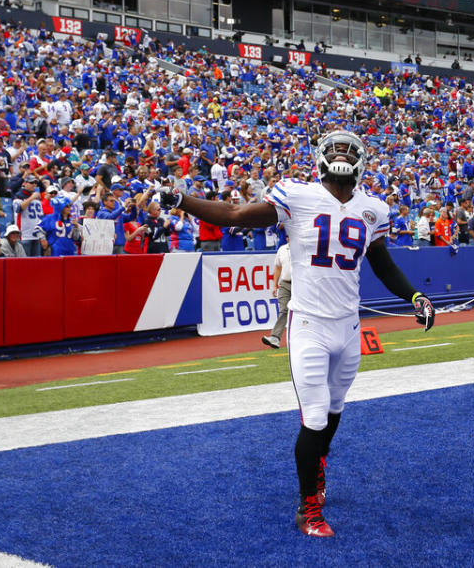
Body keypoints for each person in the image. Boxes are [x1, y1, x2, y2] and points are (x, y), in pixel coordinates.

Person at [159, 130, 435, 538]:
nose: (341, 156)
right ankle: (308, 509)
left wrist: (414, 295)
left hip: (349, 324)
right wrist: (183, 200)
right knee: (316, 414)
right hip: (308, 323)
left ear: (360, 160)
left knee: (335, 410)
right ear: (321, 158)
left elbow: (383, 264)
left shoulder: (374, 208)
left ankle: (318, 465)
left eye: (348, 150)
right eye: (335, 150)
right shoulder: (297, 195)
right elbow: (236, 215)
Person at [262, 242, 291, 349]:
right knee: (284, 310)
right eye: (287, 236)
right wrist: (275, 285)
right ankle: (275, 337)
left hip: (300, 284)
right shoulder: (282, 249)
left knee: (304, 311)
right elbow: (278, 268)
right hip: (285, 283)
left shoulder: (302, 247)